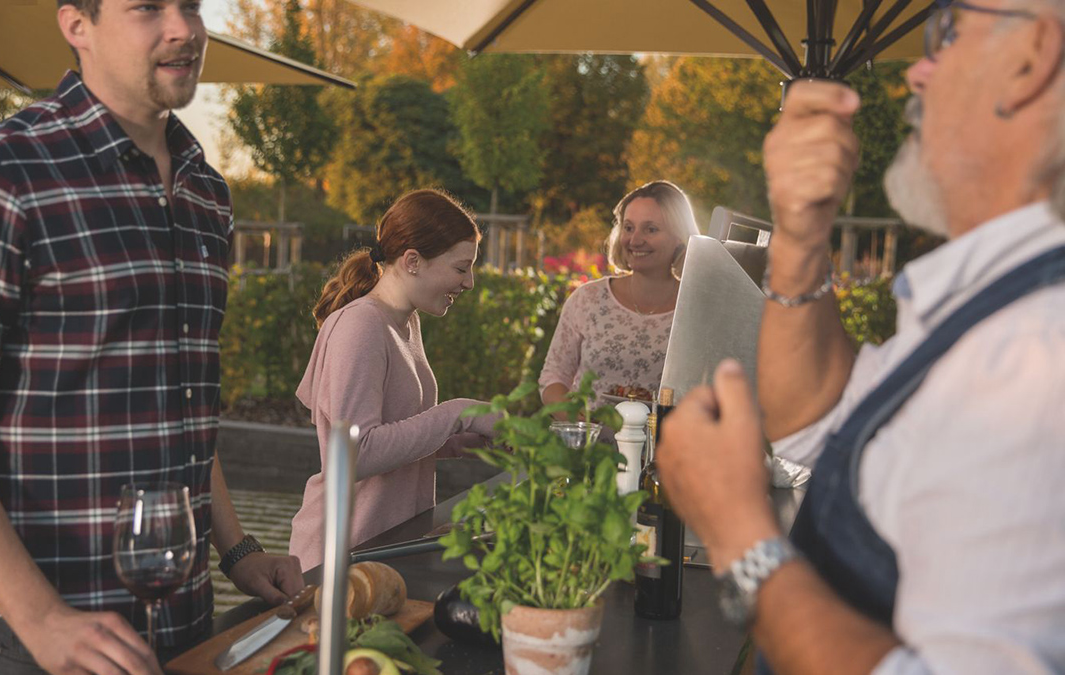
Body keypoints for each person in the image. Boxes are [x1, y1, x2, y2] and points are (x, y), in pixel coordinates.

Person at [0, 0, 304, 672]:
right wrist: (44, 618)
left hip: (184, 625)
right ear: (77, 25)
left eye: (191, 5)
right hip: (37, 639)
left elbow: (181, 406)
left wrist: (239, 550)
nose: (183, 28)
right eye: (148, 8)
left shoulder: (205, 194)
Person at [657, 1, 1065, 673]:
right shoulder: (999, 299)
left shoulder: (1033, 356)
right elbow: (822, 415)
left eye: (948, 33)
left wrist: (739, 534)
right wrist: (801, 230)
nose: (917, 74)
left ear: (1030, 57)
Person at [291, 189, 499, 571]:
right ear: (413, 261)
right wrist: (458, 414)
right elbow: (354, 455)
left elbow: (394, 432)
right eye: (460, 267)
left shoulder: (405, 321)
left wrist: (455, 443)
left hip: (386, 548)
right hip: (339, 561)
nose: (469, 282)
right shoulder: (360, 327)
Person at [539, 181, 700, 408]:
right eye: (628, 227)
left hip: (664, 443)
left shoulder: (696, 311)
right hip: (588, 441)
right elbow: (553, 378)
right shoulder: (588, 300)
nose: (635, 240)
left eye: (651, 229)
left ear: (680, 237)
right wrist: (582, 428)